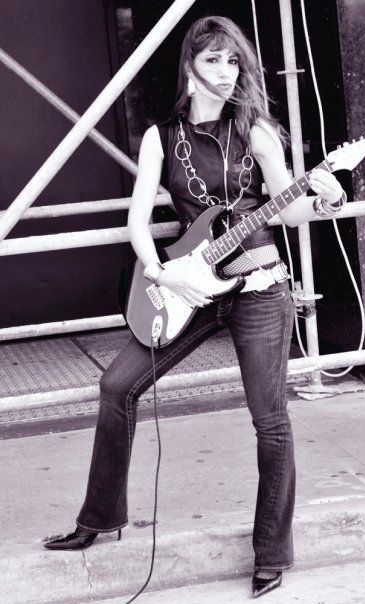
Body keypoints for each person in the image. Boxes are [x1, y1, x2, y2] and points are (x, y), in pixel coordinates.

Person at [44, 16, 345, 599]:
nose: (226, 72)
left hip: (259, 288)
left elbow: (286, 210)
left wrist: (326, 201)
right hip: (190, 286)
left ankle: (271, 553)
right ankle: (98, 519)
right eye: (213, 60)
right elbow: (137, 219)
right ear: (189, 65)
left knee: (270, 420)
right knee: (117, 386)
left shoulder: (256, 130)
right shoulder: (161, 137)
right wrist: (162, 272)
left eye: (234, 61)